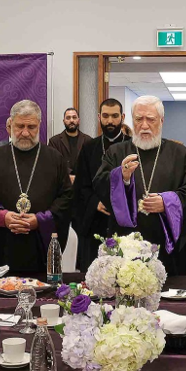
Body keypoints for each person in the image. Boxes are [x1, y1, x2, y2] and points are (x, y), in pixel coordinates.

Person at [92, 96, 186, 275]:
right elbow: (99, 185)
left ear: (161, 121)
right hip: (125, 244)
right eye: (138, 119)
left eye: (150, 119)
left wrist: (167, 202)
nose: (144, 125)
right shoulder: (116, 153)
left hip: (167, 248)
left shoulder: (181, 155)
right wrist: (121, 177)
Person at [0, 100, 73, 273]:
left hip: (40, 246)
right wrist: (2, 217)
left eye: (31, 127)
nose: (25, 133)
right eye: (20, 126)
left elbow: (66, 198)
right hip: (3, 244)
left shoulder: (55, 159)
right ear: (10, 124)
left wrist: (40, 220)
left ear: (39, 125)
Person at [72, 98, 129, 271]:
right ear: (99, 117)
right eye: (105, 116)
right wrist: (95, 203)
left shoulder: (132, 146)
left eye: (114, 116)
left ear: (122, 117)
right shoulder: (89, 148)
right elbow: (81, 186)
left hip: (124, 223)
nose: (110, 121)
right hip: (95, 221)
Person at [48, 107, 92, 182]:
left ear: (78, 120)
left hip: (83, 183)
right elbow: (52, 163)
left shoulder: (88, 141)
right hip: (61, 183)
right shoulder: (54, 141)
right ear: (63, 121)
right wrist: (68, 176)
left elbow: (92, 164)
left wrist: (78, 177)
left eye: (74, 117)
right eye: (68, 118)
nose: (71, 120)